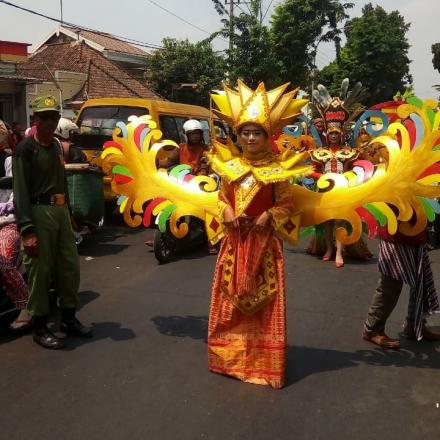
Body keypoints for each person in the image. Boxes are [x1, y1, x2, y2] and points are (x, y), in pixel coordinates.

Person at [207, 81, 308, 388]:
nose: (250, 138)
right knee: (232, 300)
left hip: (265, 246)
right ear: (238, 135)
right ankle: (229, 359)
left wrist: (268, 215)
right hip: (235, 244)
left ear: (268, 135)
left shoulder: (278, 170)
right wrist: (225, 211)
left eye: (257, 133)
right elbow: (223, 199)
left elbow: (287, 205)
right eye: (246, 132)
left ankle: (263, 364)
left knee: (264, 303)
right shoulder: (231, 167)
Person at [13, 95, 92, 349]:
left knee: (69, 265)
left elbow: (61, 182)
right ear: (35, 120)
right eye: (44, 117)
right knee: (39, 270)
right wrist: (27, 230)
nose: (49, 122)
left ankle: (68, 317)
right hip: (37, 212)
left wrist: (69, 214)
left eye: (54, 117)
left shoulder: (57, 146)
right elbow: (21, 191)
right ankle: (40, 326)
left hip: (59, 212)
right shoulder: (25, 149)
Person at [363, 224, 440, 349]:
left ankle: (414, 325)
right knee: (390, 284)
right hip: (396, 233)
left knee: (420, 280)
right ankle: (372, 329)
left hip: (415, 232)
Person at [0, 120, 31, 331]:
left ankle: (26, 305)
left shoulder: (10, 161)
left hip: (6, 223)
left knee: (2, 263)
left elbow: (16, 194)